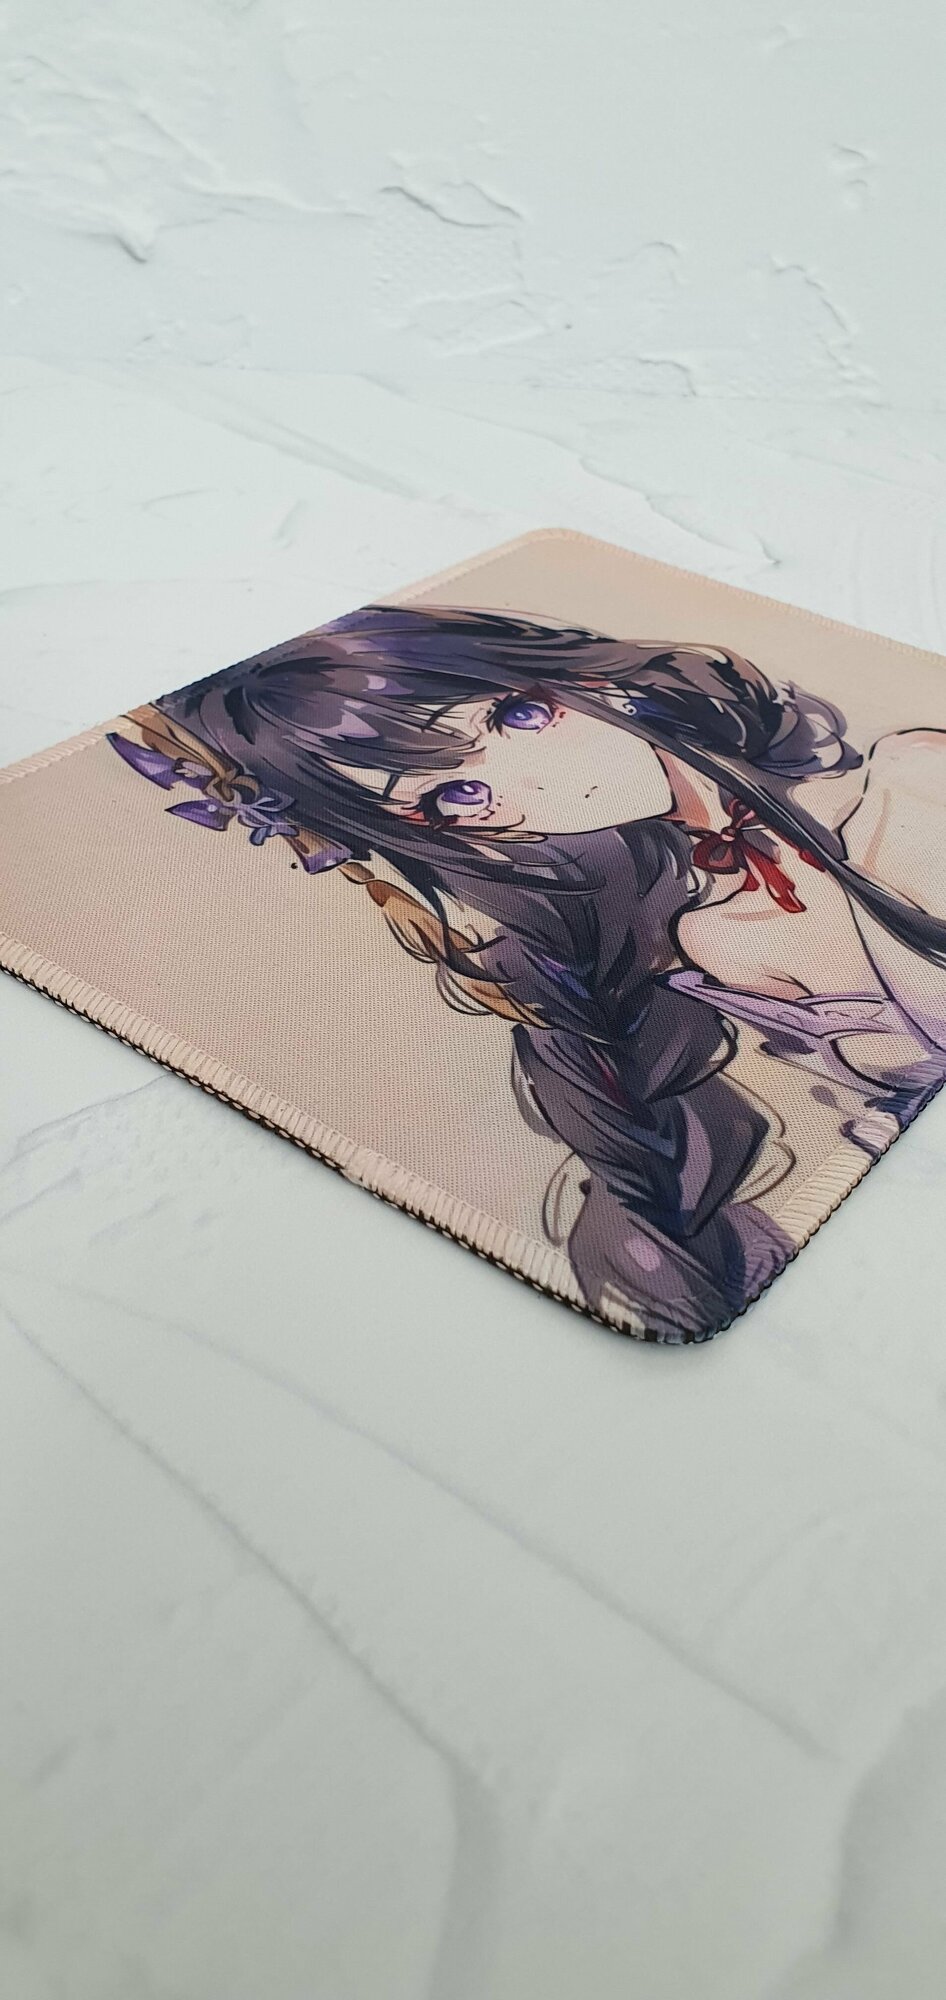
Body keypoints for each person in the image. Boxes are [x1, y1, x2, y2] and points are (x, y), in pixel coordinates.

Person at [109, 605, 946, 1341]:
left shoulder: (913, 784)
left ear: (586, 679)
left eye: (518, 716)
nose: (536, 785)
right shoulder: (711, 939)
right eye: (456, 799)